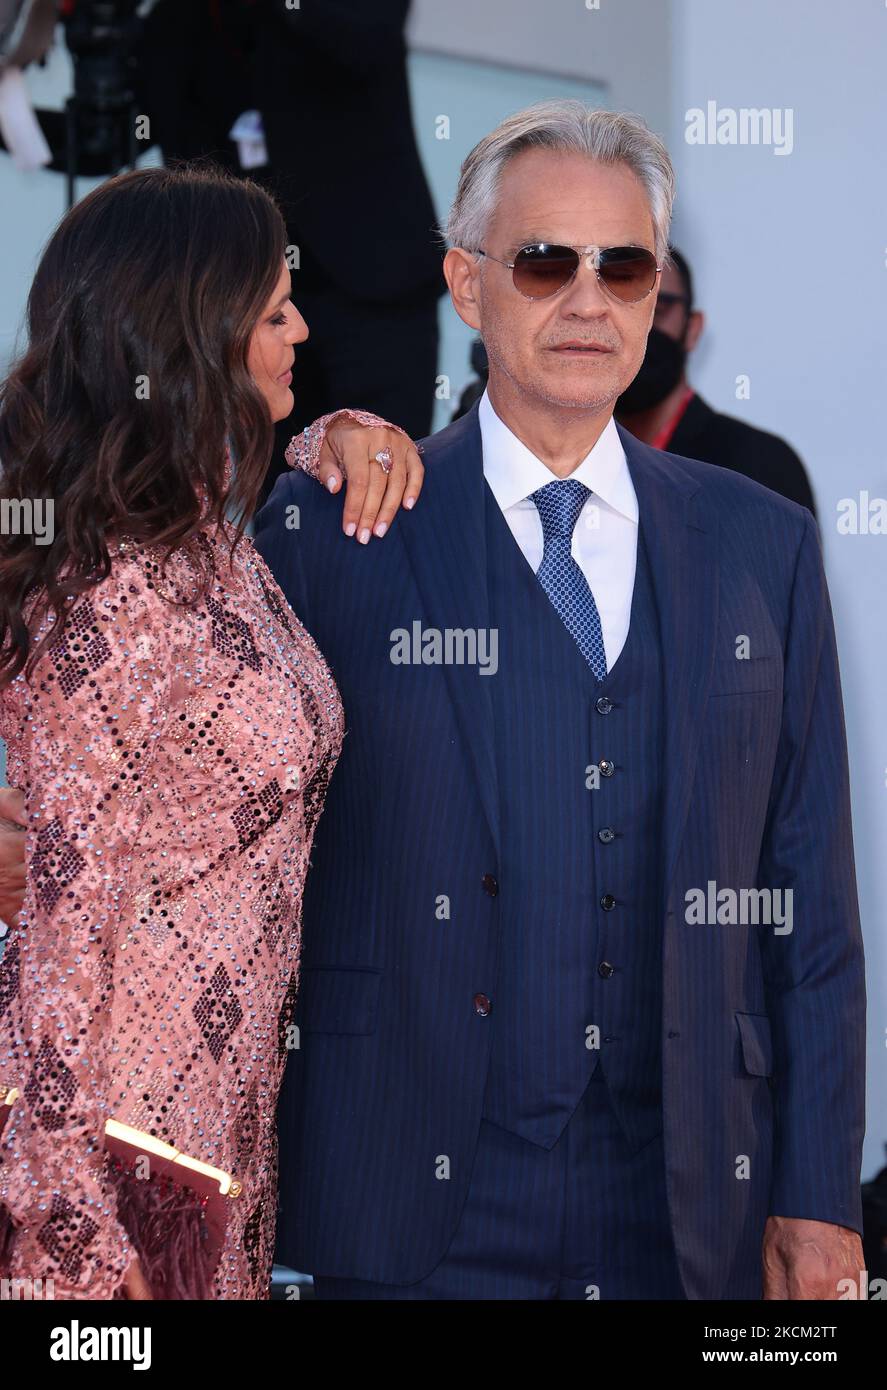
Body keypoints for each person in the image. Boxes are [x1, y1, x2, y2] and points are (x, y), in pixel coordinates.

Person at [253, 101, 865, 1300]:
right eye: (544, 261)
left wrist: (815, 1194)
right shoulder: (334, 526)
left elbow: (811, 905)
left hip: (689, 1208)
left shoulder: (764, 544)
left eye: (623, 266)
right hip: (409, 1203)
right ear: (466, 286)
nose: (587, 301)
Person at [0, 163, 419, 1300]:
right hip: (117, 1165)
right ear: (194, 327)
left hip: (219, 1140)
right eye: (273, 308)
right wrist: (69, 1229)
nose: (301, 325)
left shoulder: (209, 547)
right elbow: (60, 924)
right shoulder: (111, 595)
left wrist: (326, 432)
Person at [615, 247, 817, 516]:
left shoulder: (760, 464)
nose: (643, 328)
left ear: (693, 328)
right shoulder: (573, 464)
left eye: (659, 309)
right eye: (624, 307)